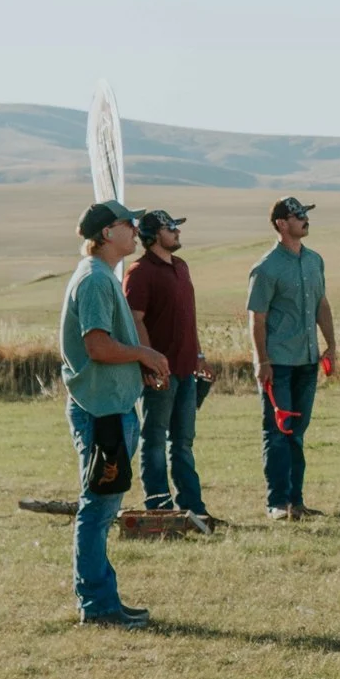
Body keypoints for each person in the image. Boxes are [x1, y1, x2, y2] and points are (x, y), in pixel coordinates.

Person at [59, 199, 167, 627]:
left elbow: (107, 348)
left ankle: (104, 601)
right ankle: (98, 606)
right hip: (101, 412)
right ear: (107, 233)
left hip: (110, 405)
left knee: (101, 508)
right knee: (98, 509)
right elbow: (97, 347)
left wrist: (138, 369)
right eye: (128, 223)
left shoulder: (103, 275)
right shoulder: (95, 280)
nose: (135, 229)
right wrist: (143, 351)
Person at [246, 197, 337, 521]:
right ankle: (277, 503)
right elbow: (256, 319)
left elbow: (322, 306)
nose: (304, 220)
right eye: (298, 216)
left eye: (305, 215)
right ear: (281, 223)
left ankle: (296, 502)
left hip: (308, 361)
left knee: (297, 432)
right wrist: (262, 362)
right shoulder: (266, 268)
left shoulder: (315, 261)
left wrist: (332, 346)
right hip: (278, 364)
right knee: (278, 431)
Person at [127, 209, 212, 524]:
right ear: (152, 235)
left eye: (176, 226)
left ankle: (193, 507)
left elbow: (188, 318)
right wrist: (150, 361)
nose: (177, 231)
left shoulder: (181, 267)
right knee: (154, 439)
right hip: (158, 373)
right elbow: (135, 320)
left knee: (184, 441)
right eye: (170, 227)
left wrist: (199, 356)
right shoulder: (139, 272)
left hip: (186, 369)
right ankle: (159, 507)